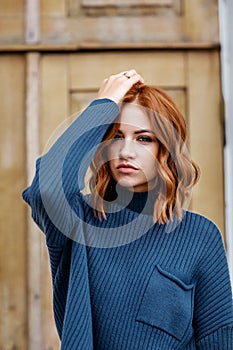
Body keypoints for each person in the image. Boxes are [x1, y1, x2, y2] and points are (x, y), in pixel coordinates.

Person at [22, 70, 233, 349]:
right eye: (117, 137)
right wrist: (103, 105)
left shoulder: (200, 236)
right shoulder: (79, 221)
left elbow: (219, 340)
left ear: (164, 149)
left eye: (143, 138)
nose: (126, 152)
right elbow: (45, 190)